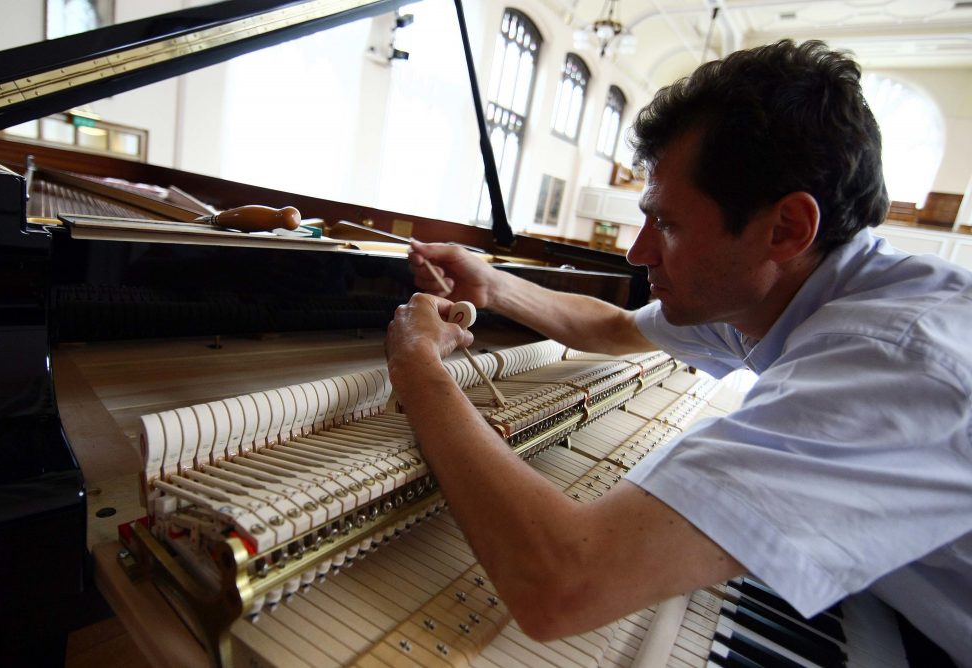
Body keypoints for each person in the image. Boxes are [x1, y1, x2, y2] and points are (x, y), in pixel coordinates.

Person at [384, 40, 972, 665]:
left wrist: (418, 366)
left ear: (787, 228)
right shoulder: (790, 287)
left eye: (666, 224)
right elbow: (617, 329)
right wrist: (494, 284)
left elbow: (565, 583)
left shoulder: (894, 359)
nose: (638, 254)